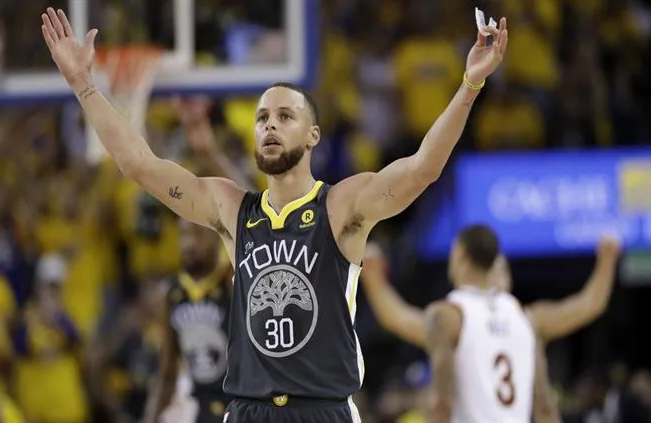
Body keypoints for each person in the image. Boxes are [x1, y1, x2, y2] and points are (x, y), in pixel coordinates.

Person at [40, 7, 508, 422]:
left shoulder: (341, 205)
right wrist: (85, 86)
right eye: (263, 117)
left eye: (285, 117)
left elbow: (423, 168)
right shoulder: (230, 208)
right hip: (247, 409)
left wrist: (470, 84)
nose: (269, 125)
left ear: (313, 136)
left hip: (323, 408)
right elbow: (139, 165)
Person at [361, 229, 621, 423]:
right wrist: (607, 262)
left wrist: (371, 274)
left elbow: (397, 318)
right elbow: (589, 305)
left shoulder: (451, 318)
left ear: (461, 257)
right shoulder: (527, 319)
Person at [144, 219, 234, 423]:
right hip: (200, 409)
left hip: (239, 406)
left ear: (215, 236)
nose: (189, 244)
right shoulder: (170, 293)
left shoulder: (231, 280)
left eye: (198, 234)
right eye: (184, 235)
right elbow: (167, 372)